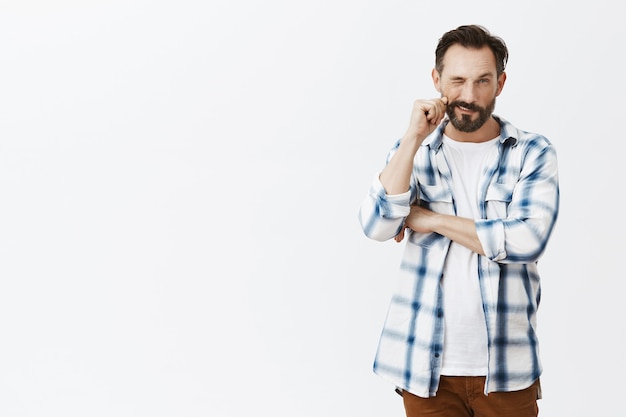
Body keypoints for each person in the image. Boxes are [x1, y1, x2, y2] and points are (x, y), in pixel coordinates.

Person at [358, 25, 559, 417]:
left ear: (500, 83)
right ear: (437, 80)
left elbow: (525, 240)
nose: (469, 96)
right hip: (424, 369)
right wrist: (413, 137)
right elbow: (377, 225)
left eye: (483, 81)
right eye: (458, 81)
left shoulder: (532, 152)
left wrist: (430, 219)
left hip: (506, 370)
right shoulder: (414, 151)